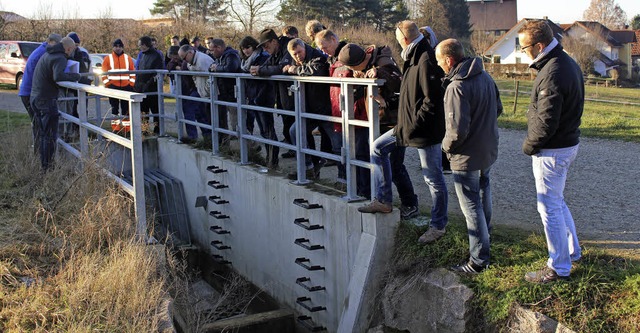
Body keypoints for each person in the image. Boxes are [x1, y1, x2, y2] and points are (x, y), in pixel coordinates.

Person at [357, 20, 448, 244]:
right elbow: (409, 93)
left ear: (404, 39)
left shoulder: (425, 58)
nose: (396, 43)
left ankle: (438, 226)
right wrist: (388, 101)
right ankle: (384, 200)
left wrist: (413, 125)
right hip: (408, 125)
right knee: (377, 148)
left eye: (397, 39)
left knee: (433, 179)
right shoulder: (413, 55)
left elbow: (431, 100)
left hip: (423, 130)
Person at [518, 20, 584, 284]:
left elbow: (546, 121)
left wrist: (529, 145)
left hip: (553, 150)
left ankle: (558, 267)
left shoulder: (553, 71)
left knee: (549, 207)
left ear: (539, 45)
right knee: (557, 201)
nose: (524, 53)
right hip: (566, 144)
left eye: (524, 48)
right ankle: (571, 251)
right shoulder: (564, 62)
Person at [435, 38, 502, 273]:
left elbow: (456, 131)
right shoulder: (485, 77)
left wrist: (444, 148)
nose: (439, 67)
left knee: (471, 206)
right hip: (488, 149)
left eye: (439, 62)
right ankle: (486, 237)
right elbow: (499, 109)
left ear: (449, 60)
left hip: (466, 157)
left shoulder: (456, 86)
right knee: (484, 193)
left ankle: (478, 261)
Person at [338, 42, 420, 219]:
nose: (352, 70)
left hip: (395, 123)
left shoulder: (384, 63)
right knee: (383, 163)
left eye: (352, 67)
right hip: (379, 121)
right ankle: (383, 199)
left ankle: (409, 203)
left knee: (395, 165)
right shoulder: (367, 66)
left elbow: (400, 86)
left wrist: (379, 74)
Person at [315, 30, 366, 194]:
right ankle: (352, 185)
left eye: (324, 46)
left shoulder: (349, 55)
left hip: (354, 114)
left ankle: (363, 190)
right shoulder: (331, 60)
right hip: (340, 111)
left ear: (333, 39)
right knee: (344, 151)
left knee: (359, 154)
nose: (323, 51)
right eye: (320, 48)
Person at [283, 38, 337, 180]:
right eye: (294, 54)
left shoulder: (317, 56)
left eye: (300, 52)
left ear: (304, 48)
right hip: (309, 109)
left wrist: (295, 69)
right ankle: (308, 169)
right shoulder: (294, 60)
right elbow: (280, 67)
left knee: (339, 143)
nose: (298, 56)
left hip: (326, 108)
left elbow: (317, 70)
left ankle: (344, 180)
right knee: (295, 131)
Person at [30, 36, 81, 170]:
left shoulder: (48, 54)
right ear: (69, 49)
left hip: (36, 97)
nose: (71, 53)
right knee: (50, 136)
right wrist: (75, 76)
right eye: (72, 50)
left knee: (43, 134)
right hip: (46, 100)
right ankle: (48, 168)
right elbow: (58, 76)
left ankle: (44, 166)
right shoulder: (59, 57)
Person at [250, 28, 296, 158]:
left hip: (295, 94)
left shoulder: (288, 47)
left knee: (297, 128)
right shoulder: (276, 52)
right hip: (284, 95)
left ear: (274, 41)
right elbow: (267, 66)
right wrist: (259, 69)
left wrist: (260, 70)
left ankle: (308, 165)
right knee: (289, 126)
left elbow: (281, 68)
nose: (265, 49)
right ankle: (297, 155)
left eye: (266, 45)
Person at [18, 33, 62, 153]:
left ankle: (38, 157)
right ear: (52, 42)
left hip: (28, 92)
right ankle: (41, 157)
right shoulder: (46, 53)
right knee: (41, 129)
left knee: (38, 127)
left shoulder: (41, 50)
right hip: (32, 92)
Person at [239, 36, 279, 168]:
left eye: (248, 47)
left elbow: (266, 77)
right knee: (262, 130)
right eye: (243, 48)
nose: (245, 51)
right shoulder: (246, 62)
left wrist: (258, 97)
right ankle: (270, 156)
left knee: (268, 128)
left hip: (263, 97)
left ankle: (272, 158)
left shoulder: (262, 57)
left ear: (254, 46)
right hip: (253, 97)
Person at [167, 45, 205, 143]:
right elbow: (170, 67)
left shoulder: (188, 62)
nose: (174, 59)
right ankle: (199, 136)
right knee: (194, 113)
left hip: (192, 89)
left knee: (196, 113)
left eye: (175, 57)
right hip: (188, 89)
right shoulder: (180, 63)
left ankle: (196, 136)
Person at [178, 45, 216, 142]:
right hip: (200, 90)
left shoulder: (202, 61)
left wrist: (205, 91)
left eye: (184, 57)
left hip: (206, 91)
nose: (184, 60)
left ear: (190, 53)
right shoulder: (191, 62)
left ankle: (194, 136)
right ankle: (207, 136)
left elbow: (211, 77)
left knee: (190, 109)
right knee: (199, 112)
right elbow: (194, 77)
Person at [209, 39, 241, 135]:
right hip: (225, 93)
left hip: (233, 94)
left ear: (218, 48)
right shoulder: (219, 57)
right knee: (227, 121)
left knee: (236, 122)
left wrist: (217, 68)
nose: (210, 53)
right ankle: (229, 142)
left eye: (212, 50)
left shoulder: (231, 55)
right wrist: (215, 68)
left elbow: (230, 68)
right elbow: (210, 68)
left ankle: (251, 146)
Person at [101, 38, 136, 125]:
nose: (118, 48)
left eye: (120, 46)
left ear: (123, 48)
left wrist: (131, 84)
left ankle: (126, 129)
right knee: (114, 108)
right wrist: (108, 84)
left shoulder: (127, 58)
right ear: (113, 47)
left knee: (126, 109)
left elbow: (132, 72)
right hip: (113, 86)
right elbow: (103, 73)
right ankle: (116, 129)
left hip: (126, 86)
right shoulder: (108, 58)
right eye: (116, 46)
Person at [134, 36, 164, 134]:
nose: (140, 47)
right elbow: (139, 70)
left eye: (141, 45)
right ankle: (144, 129)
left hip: (152, 88)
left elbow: (157, 72)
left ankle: (157, 129)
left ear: (145, 44)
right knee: (143, 111)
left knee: (155, 110)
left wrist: (148, 84)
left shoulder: (156, 55)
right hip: (142, 87)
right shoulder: (142, 55)